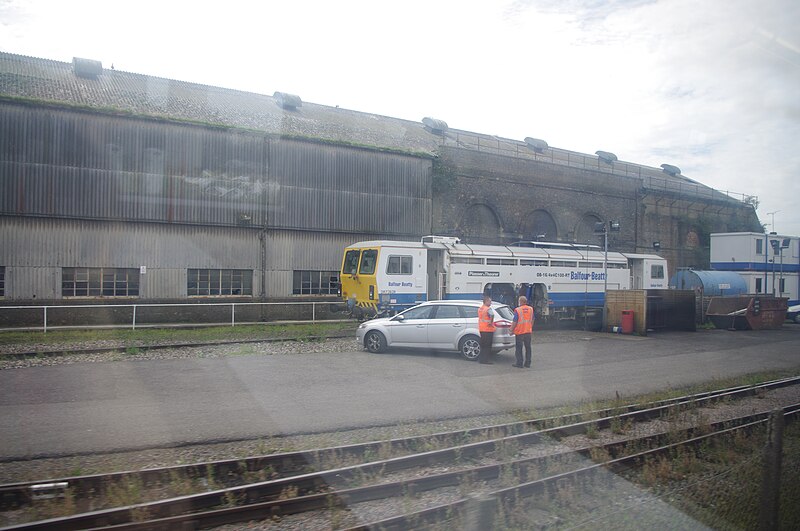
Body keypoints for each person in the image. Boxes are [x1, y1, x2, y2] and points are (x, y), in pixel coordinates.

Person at [511, 295, 534, 368]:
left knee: (519, 348)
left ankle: (519, 363)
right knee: (528, 348)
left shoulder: (518, 310)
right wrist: (530, 326)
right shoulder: (530, 309)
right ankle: (528, 363)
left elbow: (515, 321)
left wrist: (511, 330)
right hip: (528, 331)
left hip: (520, 332)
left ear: (520, 302)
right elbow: (533, 319)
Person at [477, 293, 495, 364]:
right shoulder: (488, 309)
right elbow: (492, 315)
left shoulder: (480, 309)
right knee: (487, 346)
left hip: (482, 329)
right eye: (490, 301)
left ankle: (481, 359)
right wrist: (491, 322)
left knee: (483, 345)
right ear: (486, 301)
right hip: (488, 329)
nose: (491, 303)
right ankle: (486, 360)